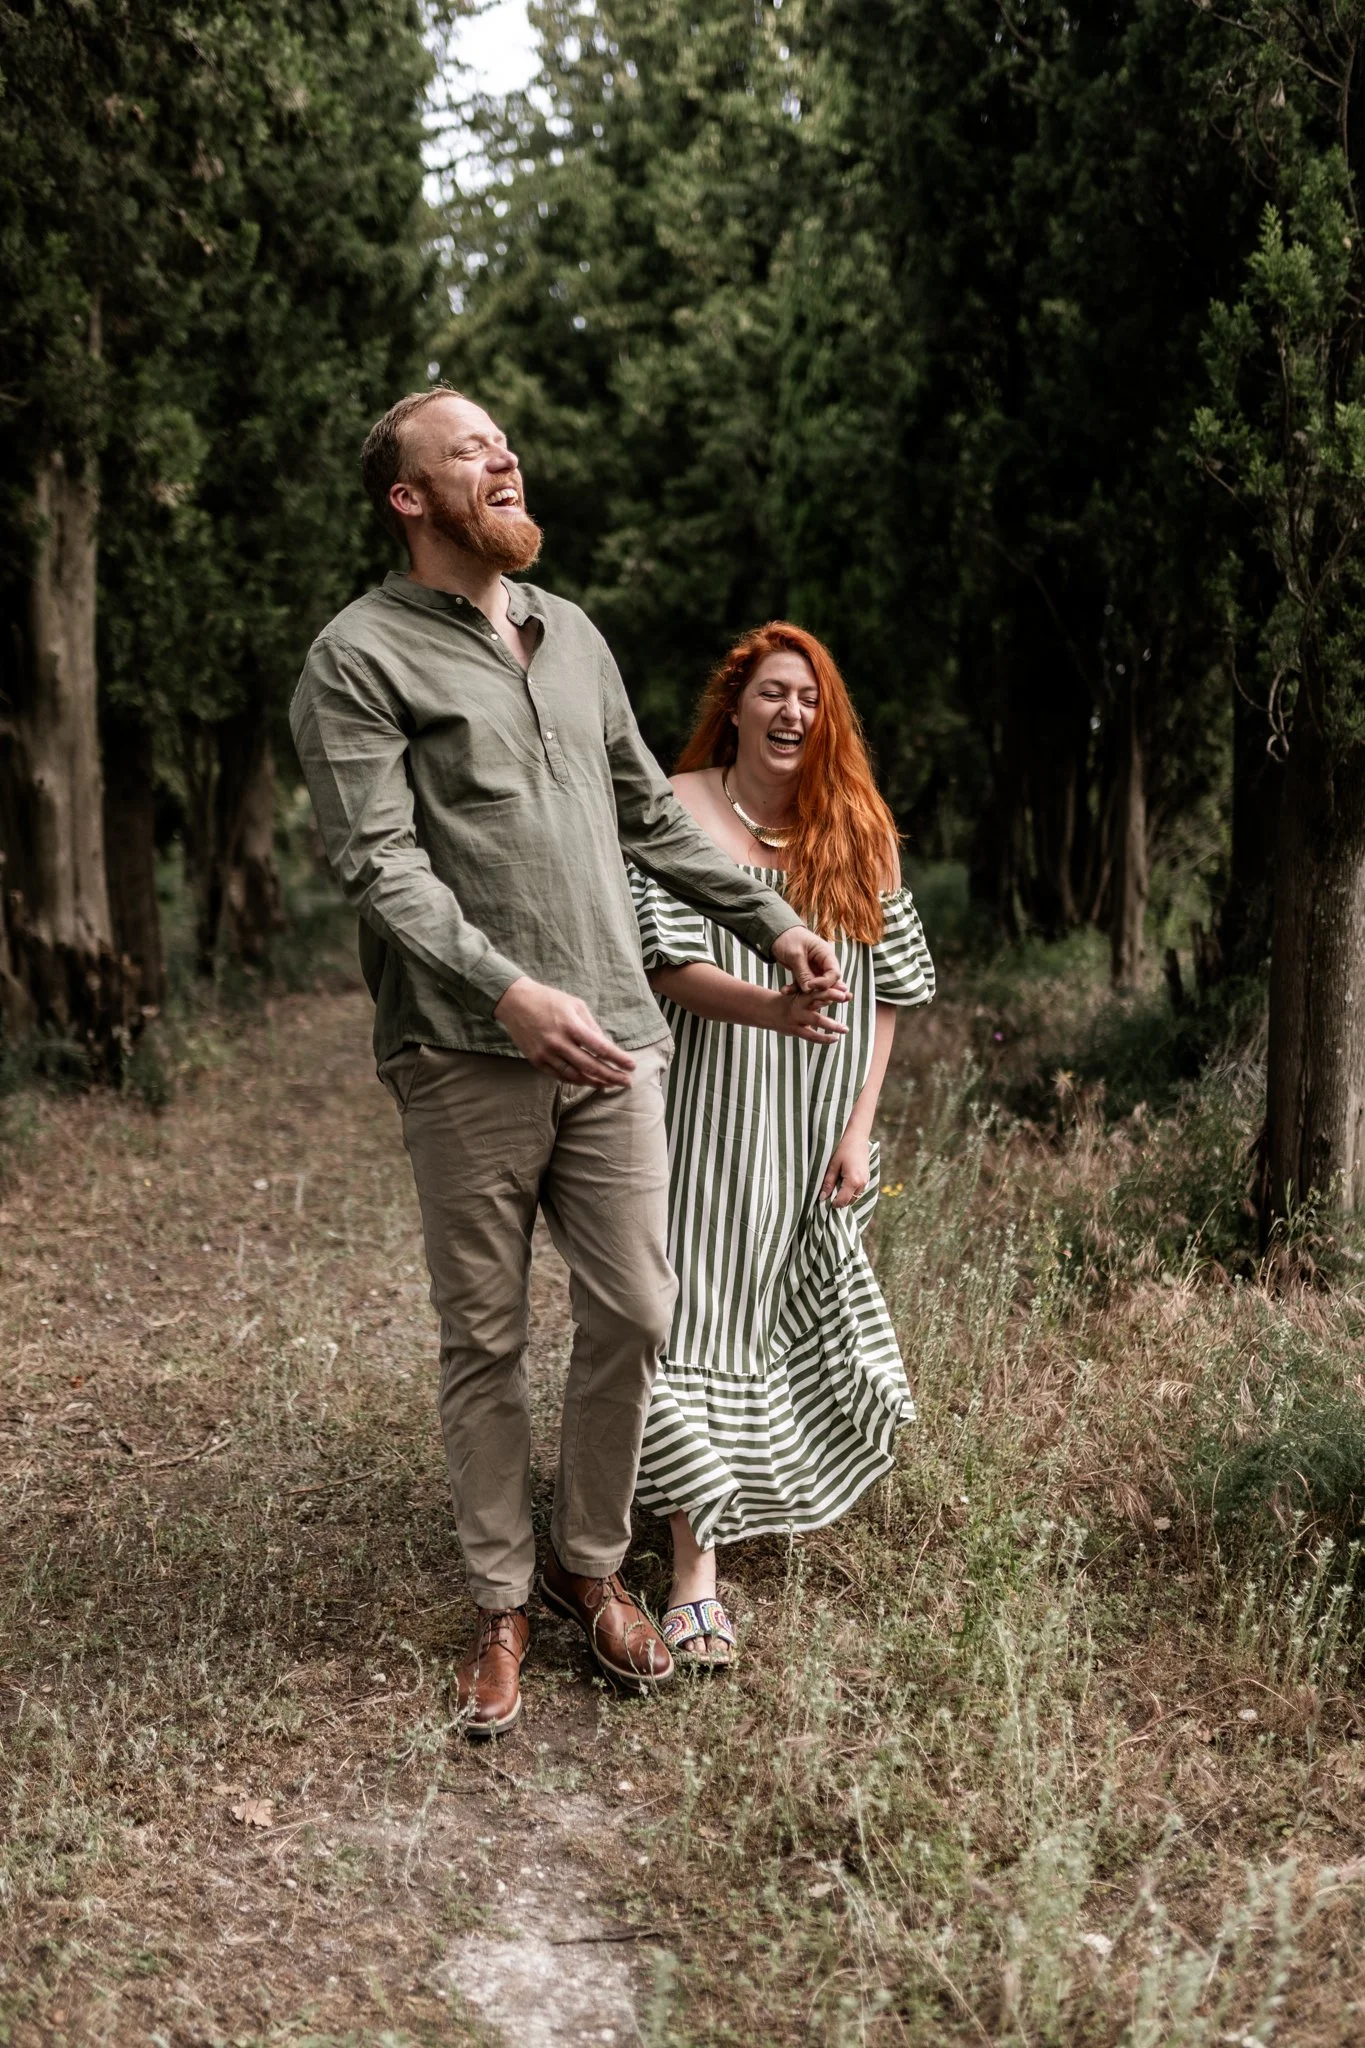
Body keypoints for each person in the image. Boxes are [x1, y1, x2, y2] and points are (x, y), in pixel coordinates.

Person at [289, 389, 846, 1738]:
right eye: (468, 446)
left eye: (505, 441)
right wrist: (506, 990)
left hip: (620, 1039)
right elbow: (379, 865)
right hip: (464, 1051)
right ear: (408, 498)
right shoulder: (356, 658)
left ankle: (590, 1565)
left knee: (639, 1308)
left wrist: (770, 921)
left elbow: (649, 811)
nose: (503, 454)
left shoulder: (575, 635)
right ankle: (499, 1600)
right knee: (484, 1337)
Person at [628, 622, 935, 1666]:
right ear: (736, 701)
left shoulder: (859, 827)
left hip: (813, 1121)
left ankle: (742, 1493)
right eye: (772, 692)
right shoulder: (677, 808)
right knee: (688, 1314)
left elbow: (890, 993)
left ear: (828, 713)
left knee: (768, 1316)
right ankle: (692, 1574)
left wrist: (858, 1129)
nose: (792, 710)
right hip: (703, 1105)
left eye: (810, 696)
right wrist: (769, 1006)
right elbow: (660, 961)